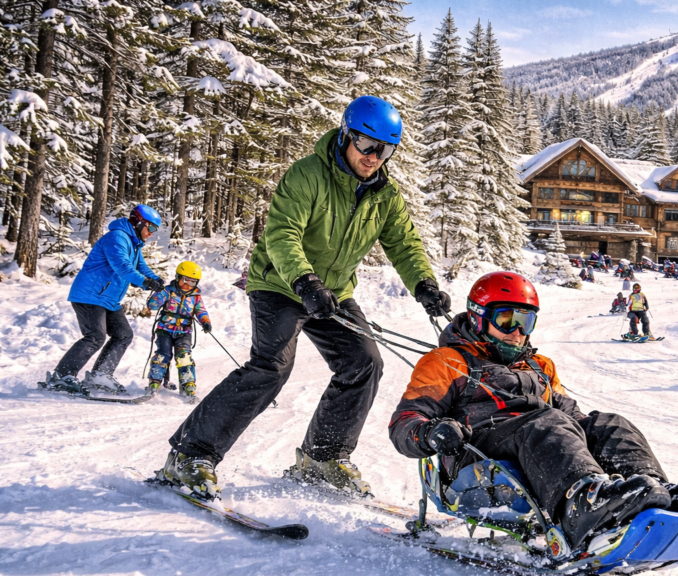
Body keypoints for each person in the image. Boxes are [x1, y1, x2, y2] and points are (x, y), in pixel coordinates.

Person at [157, 95, 450, 499]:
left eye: (385, 150)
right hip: (280, 283)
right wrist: (305, 281)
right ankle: (190, 455)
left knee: (364, 362)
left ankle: (323, 457)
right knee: (271, 367)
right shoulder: (308, 174)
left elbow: (404, 245)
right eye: (367, 145)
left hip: (333, 292)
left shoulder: (386, 195)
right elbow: (282, 234)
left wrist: (424, 284)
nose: (374, 157)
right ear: (348, 135)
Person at [387, 272, 678, 552]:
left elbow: (572, 419)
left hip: (539, 447)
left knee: (608, 424)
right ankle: (580, 508)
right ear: (479, 317)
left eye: (525, 320)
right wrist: (432, 432)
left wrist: (595, 432)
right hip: (479, 460)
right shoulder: (448, 361)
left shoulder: (540, 365)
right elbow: (405, 422)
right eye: (507, 319)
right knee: (546, 421)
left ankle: (654, 497)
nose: (517, 331)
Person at [43, 205, 165, 395]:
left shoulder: (133, 243)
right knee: (95, 336)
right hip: (90, 296)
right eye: (151, 228)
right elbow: (123, 267)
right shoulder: (116, 238)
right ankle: (62, 376)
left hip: (107, 299)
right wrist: (145, 282)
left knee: (124, 334)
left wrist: (156, 280)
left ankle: (101, 374)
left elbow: (141, 266)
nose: (151, 234)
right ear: (139, 222)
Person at [144, 261, 212, 398]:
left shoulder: (196, 297)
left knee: (184, 357)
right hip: (165, 330)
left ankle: (188, 385)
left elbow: (201, 311)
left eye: (193, 282)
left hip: (184, 332)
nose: (188, 285)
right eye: (185, 280)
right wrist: (159, 293)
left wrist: (205, 321)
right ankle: (154, 382)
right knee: (163, 355)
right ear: (177, 277)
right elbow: (152, 304)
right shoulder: (168, 291)